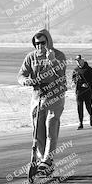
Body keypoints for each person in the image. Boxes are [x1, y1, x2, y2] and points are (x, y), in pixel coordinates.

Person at [18, 29, 67, 173]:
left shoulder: (58, 55)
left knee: (51, 126)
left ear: (48, 42)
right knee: (37, 128)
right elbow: (21, 75)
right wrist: (26, 81)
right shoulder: (31, 57)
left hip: (55, 95)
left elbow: (61, 73)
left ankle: (47, 159)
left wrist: (52, 60)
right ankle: (40, 158)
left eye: (43, 43)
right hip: (38, 96)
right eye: (37, 43)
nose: (39, 46)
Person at [72, 55, 92, 130]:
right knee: (79, 107)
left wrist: (88, 84)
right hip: (79, 92)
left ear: (82, 60)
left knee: (88, 106)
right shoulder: (75, 70)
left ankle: (91, 115)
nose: (78, 62)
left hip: (88, 91)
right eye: (76, 61)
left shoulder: (89, 69)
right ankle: (80, 123)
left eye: (79, 60)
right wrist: (74, 83)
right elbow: (73, 79)